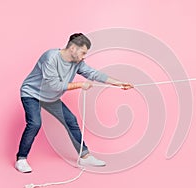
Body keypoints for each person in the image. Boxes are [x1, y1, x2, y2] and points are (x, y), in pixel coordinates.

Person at [15, 33, 133, 173]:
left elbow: (93, 73)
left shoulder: (77, 63)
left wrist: (118, 83)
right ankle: (21, 159)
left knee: (71, 120)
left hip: (50, 98)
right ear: (72, 48)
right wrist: (80, 85)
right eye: (83, 52)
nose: (84, 56)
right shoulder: (50, 57)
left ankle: (85, 156)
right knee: (35, 123)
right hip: (32, 94)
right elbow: (54, 86)